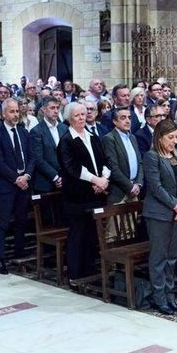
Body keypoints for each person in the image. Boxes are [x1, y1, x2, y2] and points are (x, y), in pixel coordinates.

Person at [57, 100, 110, 285]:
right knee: (77, 235)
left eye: (83, 114)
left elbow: (105, 160)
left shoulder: (93, 136)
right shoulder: (66, 141)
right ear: (70, 118)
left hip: (96, 193)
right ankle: (75, 275)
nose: (82, 117)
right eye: (77, 115)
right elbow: (72, 168)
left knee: (91, 234)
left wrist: (104, 179)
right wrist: (96, 180)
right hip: (77, 196)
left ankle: (90, 272)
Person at [141, 119, 177, 312]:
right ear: (159, 138)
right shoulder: (151, 156)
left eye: (176, 137)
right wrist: (176, 206)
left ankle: (170, 295)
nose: (174, 141)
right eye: (170, 137)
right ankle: (159, 298)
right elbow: (156, 187)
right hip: (159, 213)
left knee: (172, 257)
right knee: (159, 257)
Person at [0, 98, 33, 275]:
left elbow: (32, 157)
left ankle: (19, 252)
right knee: (4, 222)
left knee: (21, 220)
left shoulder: (23, 132)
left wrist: (27, 175)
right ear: (3, 114)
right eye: (12, 111)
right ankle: (0, 258)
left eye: (17, 111)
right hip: (7, 185)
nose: (15, 115)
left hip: (24, 182)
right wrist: (17, 179)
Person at [101, 107, 144, 205]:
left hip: (135, 191)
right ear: (115, 121)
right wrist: (130, 186)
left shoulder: (132, 137)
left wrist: (138, 183)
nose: (128, 121)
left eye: (129, 117)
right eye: (123, 118)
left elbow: (140, 163)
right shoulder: (109, 139)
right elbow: (113, 168)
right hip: (118, 193)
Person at [29, 97, 67, 193]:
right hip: (46, 183)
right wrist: (55, 177)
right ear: (44, 109)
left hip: (65, 180)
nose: (56, 111)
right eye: (52, 108)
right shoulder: (36, 131)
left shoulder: (64, 128)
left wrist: (64, 175)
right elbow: (38, 159)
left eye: (57, 108)